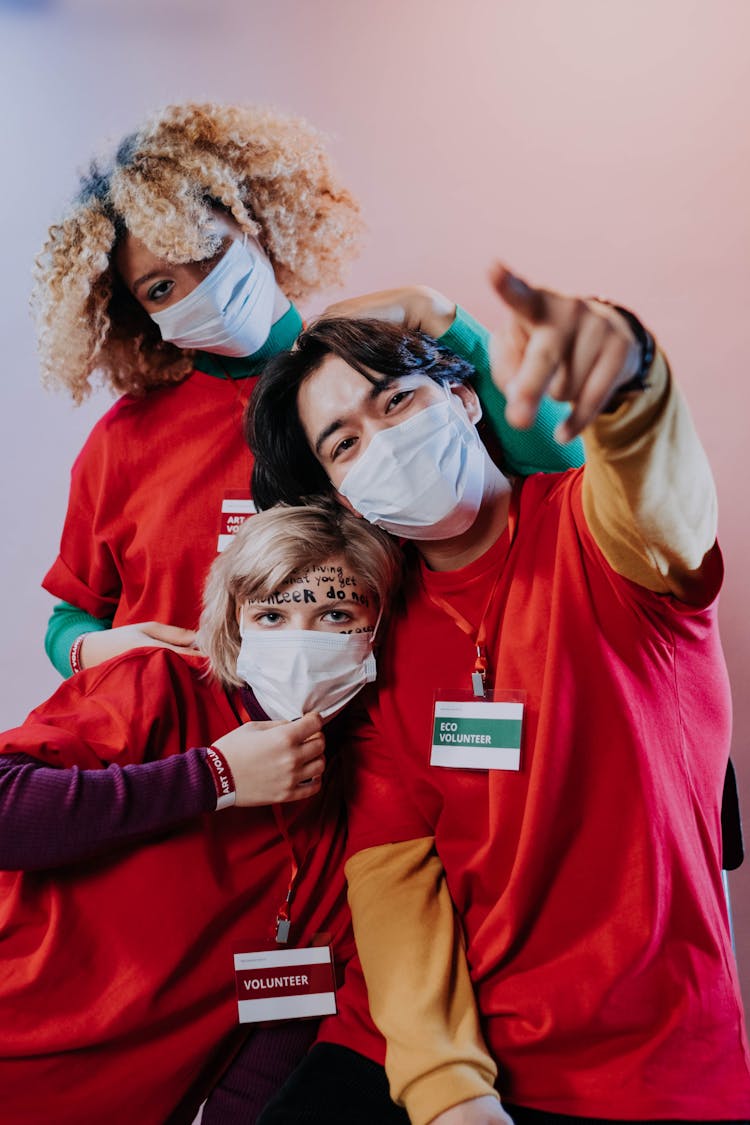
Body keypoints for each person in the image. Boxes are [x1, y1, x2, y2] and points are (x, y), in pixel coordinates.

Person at [246, 275, 750, 1125]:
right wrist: (450, 1094)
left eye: (397, 400)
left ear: (465, 397)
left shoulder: (602, 536)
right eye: (344, 442)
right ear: (343, 495)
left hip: (642, 1070)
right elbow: (395, 879)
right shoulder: (375, 637)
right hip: (426, 1043)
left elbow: (660, 495)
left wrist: (630, 379)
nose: (382, 441)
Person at [33, 101, 584, 680]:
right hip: (174, 750)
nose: (202, 288)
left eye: (209, 249)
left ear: (258, 224)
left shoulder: (370, 379)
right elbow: (72, 614)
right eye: (162, 286)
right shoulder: (123, 440)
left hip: (369, 733)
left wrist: (443, 318)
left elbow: (566, 470)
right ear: (137, 314)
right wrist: (93, 652)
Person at [0, 500, 403, 1125]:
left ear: (377, 629)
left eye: (334, 615)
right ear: (236, 626)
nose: (301, 641)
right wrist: (211, 778)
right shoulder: (155, 685)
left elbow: (286, 1008)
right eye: (272, 615)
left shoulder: (362, 797)